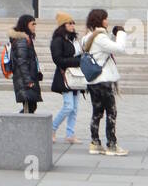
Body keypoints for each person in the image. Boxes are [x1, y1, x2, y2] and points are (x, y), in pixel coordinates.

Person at [82, 9, 128, 156]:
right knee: (111, 112)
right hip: (103, 80)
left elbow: (105, 49)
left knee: (97, 112)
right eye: (105, 19)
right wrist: (120, 33)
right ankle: (112, 145)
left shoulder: (87, 37)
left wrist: (112, 36)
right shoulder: (100, 38)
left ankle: (95, 143)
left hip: (93, 81)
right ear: (100, 20)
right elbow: (120, 48)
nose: (107, 21)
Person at [50, 11, 82, 142]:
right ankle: (51, 129)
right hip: (65, 76)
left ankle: (70, 134)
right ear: (63, 25)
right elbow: (58, 59)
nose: (72, 25)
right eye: (69, 23)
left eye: (73, 22)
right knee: (68, 106)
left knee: (74, 108)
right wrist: (77, 61)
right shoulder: (57, 40)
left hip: (76, 77)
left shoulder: (72, 40)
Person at [9, 13, 43, 114]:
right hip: (24, 80)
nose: (35, 26)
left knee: (31, 107)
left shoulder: (26, 39)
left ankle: (20, 127)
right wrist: (28, 81)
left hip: (28, 77)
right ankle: (17, 127)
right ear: (25, 25)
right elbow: (22, 62)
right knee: (29, 107)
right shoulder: (22, 41)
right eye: (32, 24)